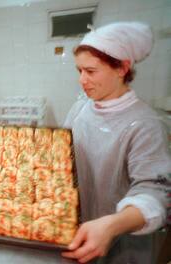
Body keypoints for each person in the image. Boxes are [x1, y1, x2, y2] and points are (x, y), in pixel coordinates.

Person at [62, 21, 171, 263]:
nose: (82, 80)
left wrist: (111, 226)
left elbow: (154, 193)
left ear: (122, 68)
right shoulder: (81, 108)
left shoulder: (145, 124)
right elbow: (62, 154)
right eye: (79, 71)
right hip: (78, 230)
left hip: (122, 242)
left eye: (91, 71)